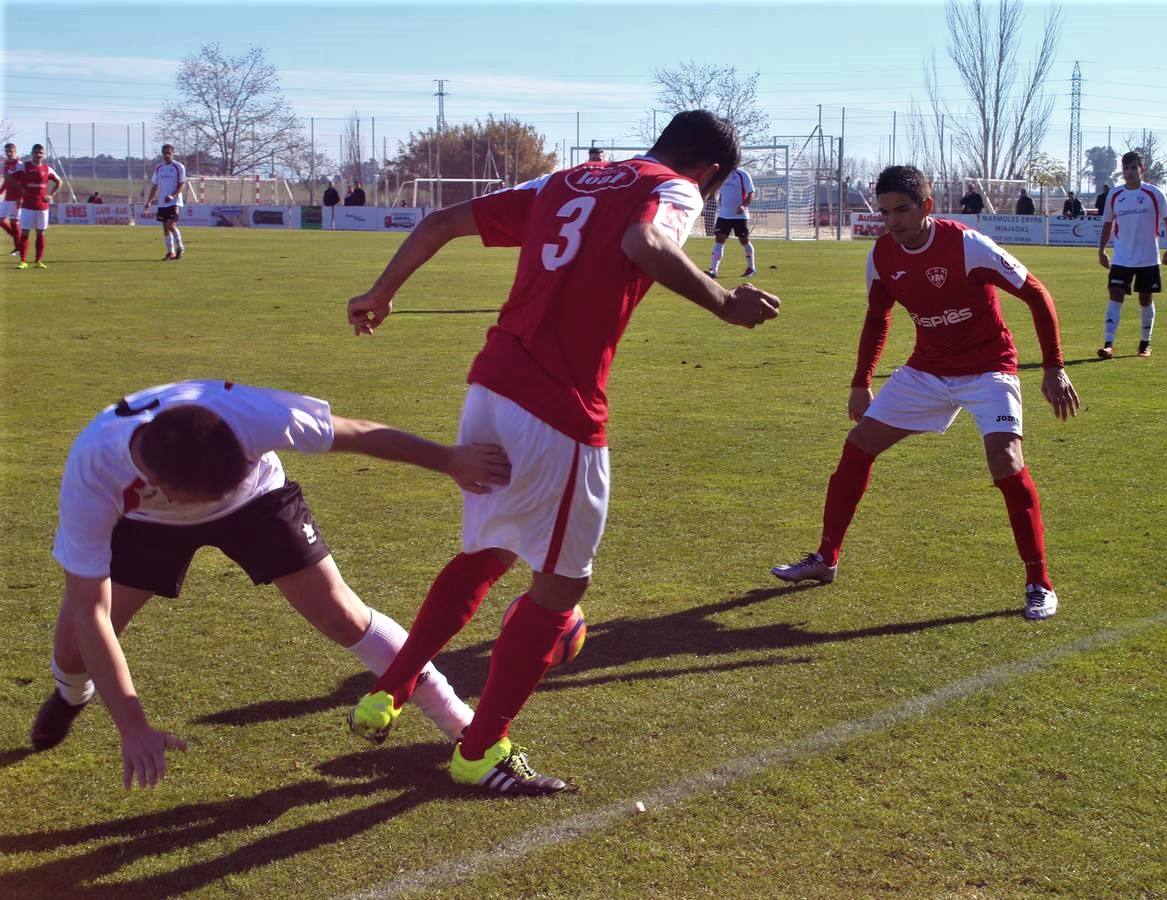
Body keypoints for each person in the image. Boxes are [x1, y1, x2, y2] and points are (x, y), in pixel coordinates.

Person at [343, 110, 781, 795]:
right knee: (562, 586)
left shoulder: (566, 181)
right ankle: (479, 750)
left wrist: (381, 293)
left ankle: (389, 693)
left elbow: (438, 223)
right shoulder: (675, 187)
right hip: (556, 406)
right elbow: (643, 243)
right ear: (713, 172)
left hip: (489, 388)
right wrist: (725, 302)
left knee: (486, 551)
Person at [29, 379, 511, 789]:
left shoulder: (251, 414)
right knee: (75, 644)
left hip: (257, 502)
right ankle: (72, 696)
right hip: (146, 524)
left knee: (342, 614)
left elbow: (360, 434)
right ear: (158, 482)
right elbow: (91, 611)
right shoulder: (94, 473)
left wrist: (449, 458)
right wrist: (132, 725)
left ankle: (461, 725)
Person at [770, 165, 1080, 622]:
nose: (892, 221)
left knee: (1006, 462)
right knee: (858, 446)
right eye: (884, 212)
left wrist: (1053, 367)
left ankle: (1039, 581)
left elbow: (1036, 293)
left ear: (926, 207)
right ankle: (826, 558)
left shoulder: (966, 244)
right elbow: (878, 319)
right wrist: (861, 382)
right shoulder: (880, 256)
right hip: (926, 371)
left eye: (902, 210)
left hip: (988, 369)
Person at [1096, 151, 1167, 359]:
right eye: (1126, 168)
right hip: (1122, 257)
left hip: (1148, 258)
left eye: (1133, 167)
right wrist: (1102, 250)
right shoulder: (1114, 194)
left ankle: (1144, 344)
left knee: (1145, 299)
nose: (1129, 172)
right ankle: (1108, 344)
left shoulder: (1154, 193)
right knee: (1115, 293)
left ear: (1142, 169)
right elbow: (1107, 224)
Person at [6, 143, 61, 270]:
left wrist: (51, 195)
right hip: (27, 206)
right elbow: (8, 175)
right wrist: (20, 188)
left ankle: (38, 261)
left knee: (40, 233)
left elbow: (59, 182)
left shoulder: (47, 169)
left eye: (41, 153)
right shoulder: (23, 166)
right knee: (25, 232)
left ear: (43, 154)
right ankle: (23, 261)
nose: (38, 155)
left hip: (42, 206)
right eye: (36, 152)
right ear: (32, 153)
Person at [706, 165, 756, 277]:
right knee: (719, 239)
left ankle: (751, 268)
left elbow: (751, 193)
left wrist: (743, 205)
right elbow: (713, 191)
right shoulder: (721, 174)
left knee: (744, 240)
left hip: (740, 216)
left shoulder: (743, 174)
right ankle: (713, 270)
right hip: (724, 214)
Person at [143, 144, 186, 261]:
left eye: (169, 153)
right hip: (162, 203)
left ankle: (180, 247)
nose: (167, 155)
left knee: (170, 225)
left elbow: (182, 184)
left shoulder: (178, 167)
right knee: (165, 228)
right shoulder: (159, 168)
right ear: (162, 154)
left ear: (173, 153)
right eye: (165, 153)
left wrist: (173, 196)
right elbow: (155, 186)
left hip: (174, 202)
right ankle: (170, 252)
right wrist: (149, 202)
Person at [1, 143, 22, 256]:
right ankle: (18, 242)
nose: (9, 153)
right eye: (7, 151)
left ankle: (18, 249)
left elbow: (24, 183)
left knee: (14, 223)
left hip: (16, 199)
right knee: (1, 220)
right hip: (7, 198)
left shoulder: (20, 165)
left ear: (15, 151)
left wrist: (21, 198)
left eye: (11, 151)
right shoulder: (6, 164)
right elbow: (6, 181)